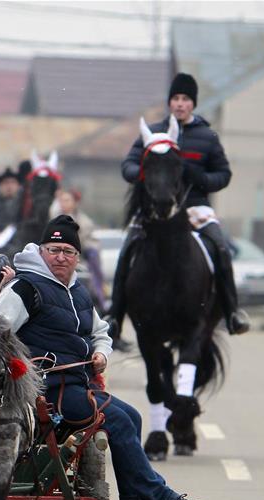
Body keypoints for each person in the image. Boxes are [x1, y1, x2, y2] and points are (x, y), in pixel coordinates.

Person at [0, 215, 210, 500]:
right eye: (54, 249)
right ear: (42, 251)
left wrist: (101, 352)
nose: (61, 257)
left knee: (130, 416)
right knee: (116, 420)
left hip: (75, 385)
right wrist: (16, 367)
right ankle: (162, 498)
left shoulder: (79, 291)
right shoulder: (25, 287)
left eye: (69, 252)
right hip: (42, 392)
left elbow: (100, 332)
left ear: (77, 257)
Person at [108, 73, 249, 343]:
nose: (180, 104)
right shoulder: (152, 134)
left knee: (220, 247)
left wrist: (200, 178)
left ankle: (232, 313)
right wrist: (146, 174)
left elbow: (224, 175)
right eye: (175, 98)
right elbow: (128, 165)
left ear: (193, 104)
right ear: (169, 102)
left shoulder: (207, 137)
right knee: (127, 250)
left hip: (196, 208)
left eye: (185, 99)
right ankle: (114, 316)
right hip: (153, 210)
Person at [50, 188, 106, 309]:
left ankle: (100, 297)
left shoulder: (84, 221)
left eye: (67, 200)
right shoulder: (54, 218)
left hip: (79, 258)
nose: (63, 203)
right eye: (62, 200)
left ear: (75, 202)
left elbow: (88, 241)